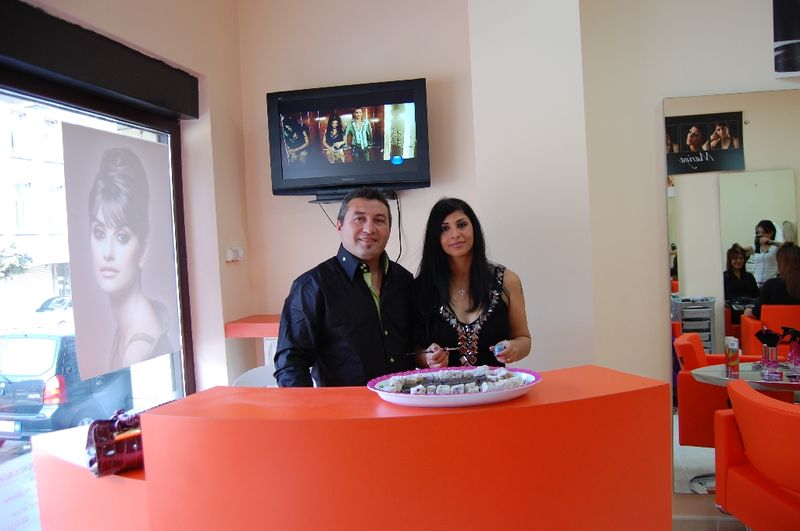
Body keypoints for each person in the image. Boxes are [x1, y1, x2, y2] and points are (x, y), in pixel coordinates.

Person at [273, 187, 414, 386]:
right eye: (359, 219)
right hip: (344, 404)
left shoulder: (404, 280)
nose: (369, 229)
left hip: (404, 399)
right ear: (339, 226)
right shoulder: (312, 286)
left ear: (389, 230)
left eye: (379, 220)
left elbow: (415, 345)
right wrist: (309, 404)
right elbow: (290, 364)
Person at [413, 198, 531, 369]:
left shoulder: (508, 281)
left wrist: (515, 348)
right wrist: (428, 358)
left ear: (474, 228)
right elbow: (412, 349)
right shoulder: (421, 287)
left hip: (495, 385)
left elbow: (524, 339)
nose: (455, 234)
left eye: (461, 225)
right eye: (444, 229)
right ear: (434, 237)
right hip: (441, 386)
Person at [88, 147, 173, 371]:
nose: (108, 252)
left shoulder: (139, 349)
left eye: (122, 237)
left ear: (143, 250)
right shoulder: (128, 328)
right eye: (99, 233)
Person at [744, 244, 800, 319]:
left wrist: (747, 311)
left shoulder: (771, 285)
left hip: (776, 326)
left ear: (781, 263)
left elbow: (754, 314)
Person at [723, 243, 759, 324]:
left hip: (750, 311)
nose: (738, 261)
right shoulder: (724, 277)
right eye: (735, 258)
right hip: (733, 312)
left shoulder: (749, 276)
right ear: (730, 260)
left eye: (741, 258)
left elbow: (757, 295)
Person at [742, 220, 783, 288]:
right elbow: (741, 250)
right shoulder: (756, 247)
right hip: (757, 283)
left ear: (771, 233)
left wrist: (770, 242)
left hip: (771, 283)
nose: (760, 235)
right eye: (759, 232)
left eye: (764, 232)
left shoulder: (776, 247)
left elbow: (788, 246)